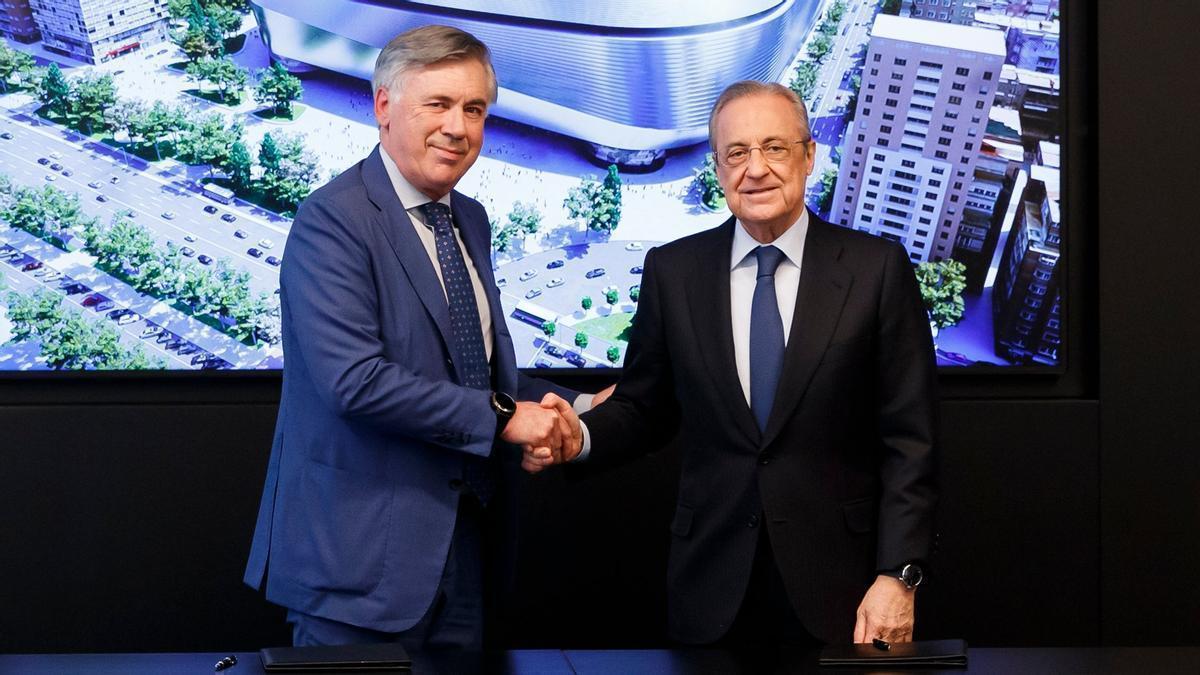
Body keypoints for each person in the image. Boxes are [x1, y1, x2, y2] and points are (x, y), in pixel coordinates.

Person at [528, 81, 939, 649]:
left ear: (809, 156)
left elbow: (911, 443)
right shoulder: (674, 271)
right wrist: (580, 438)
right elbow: (645, 407)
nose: (756, 169)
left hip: (845, 589)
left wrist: (900, 576)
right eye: (737, 153)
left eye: (774, 147)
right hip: (710, 584)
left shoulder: (877, 270)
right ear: (718, 170)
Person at [244, 25, 586, 650]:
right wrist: (509, 420)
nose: (458, 127)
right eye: (438, 104)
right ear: (383, 107)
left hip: (465, 553)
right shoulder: (332, 220)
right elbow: (355, 382)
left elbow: (475, 372)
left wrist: (579, 407)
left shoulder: (471, 219)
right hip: (357, 570)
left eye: (474, 109)